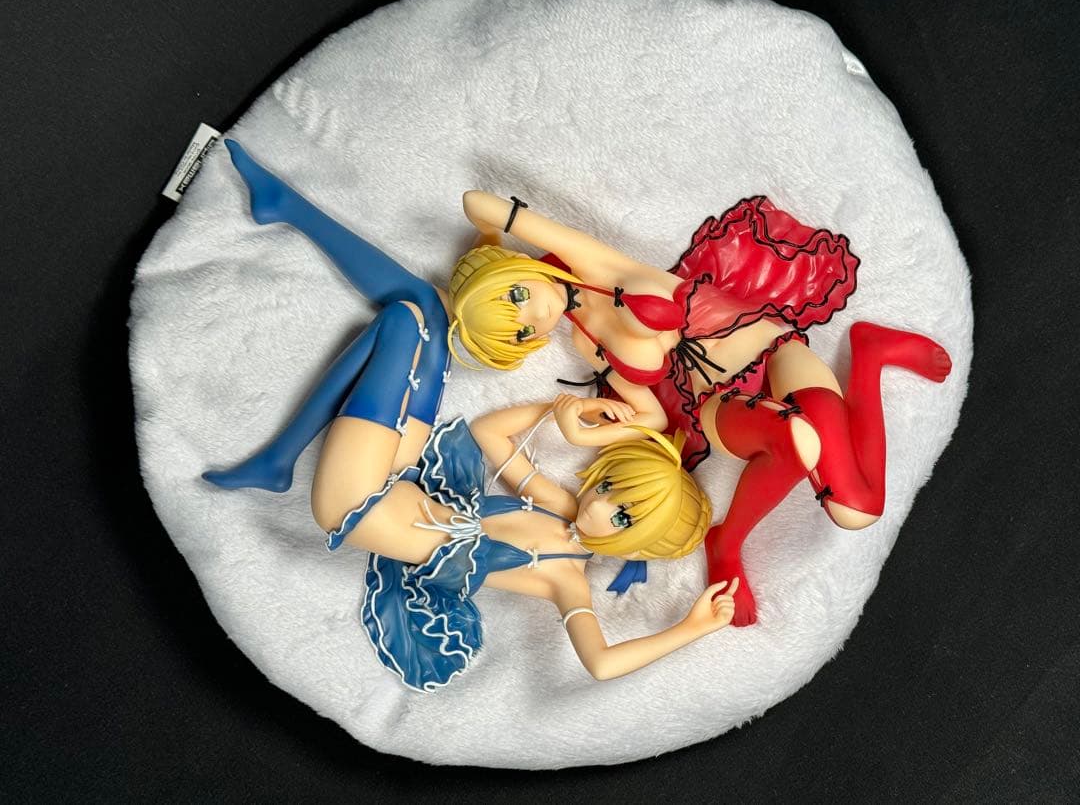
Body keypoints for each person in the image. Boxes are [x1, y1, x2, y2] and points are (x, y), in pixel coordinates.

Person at [203, 140, 736, 691]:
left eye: (622, 518)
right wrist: (565, 413)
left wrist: (691, 628)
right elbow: (486, 432)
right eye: (612, 488)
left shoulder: (566, 577)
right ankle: (287, 214)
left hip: (356, 503)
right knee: (427, 310)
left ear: (634, 548)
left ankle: (280, 452)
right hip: (398, 476)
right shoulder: (564, 508)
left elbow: (601, 664)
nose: (600, 503)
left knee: (404, 319)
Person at [450, 192, 952, 624]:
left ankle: (869, 355)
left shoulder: (593, 264)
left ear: (520, 269)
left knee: (855, 508)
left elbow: (477, 202)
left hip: (772, 352)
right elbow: (651, 417)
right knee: (822, 472)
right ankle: (727, 543)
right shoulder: (586, 343)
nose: (535, 315)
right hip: (719, 402)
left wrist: (487, 244)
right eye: (522, 332)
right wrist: (583, 434)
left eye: (518, 295)